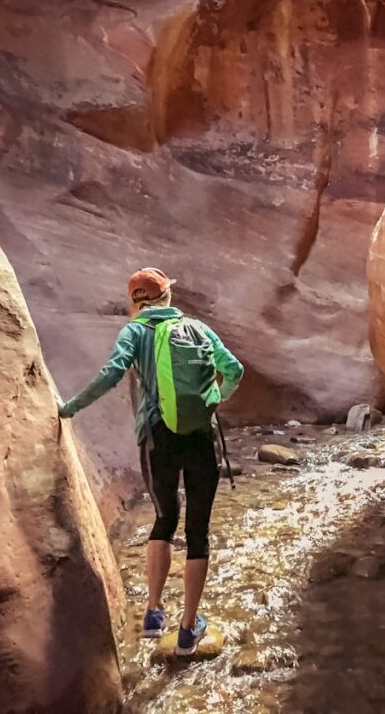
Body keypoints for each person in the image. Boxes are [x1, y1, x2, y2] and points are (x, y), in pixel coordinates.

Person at [58, 267, 244, 655]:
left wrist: (70, 407)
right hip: (200, 438)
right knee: (198, 532)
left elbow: (112, 373)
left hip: (158, 437)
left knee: (164, 518)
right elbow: (233, 369)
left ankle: (154, 611)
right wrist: (215, 398)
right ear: (166, 297)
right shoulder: (198, 329)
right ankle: (189, 631)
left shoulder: (135, 331)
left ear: (136, 301)